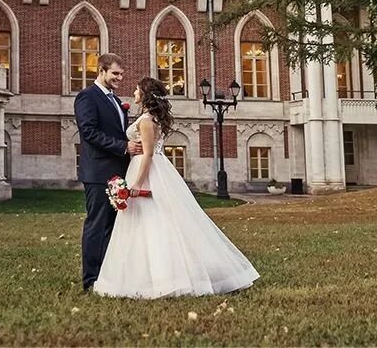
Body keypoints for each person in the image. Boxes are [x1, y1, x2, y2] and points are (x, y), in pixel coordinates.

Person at [93, 77, 259, 298]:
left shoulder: (145, 120)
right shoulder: (152, 119)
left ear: (145, 95)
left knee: (152, 220)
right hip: (156, 169)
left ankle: (163, 277)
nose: (133, 93)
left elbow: (148, 154)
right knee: (157, 219)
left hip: (148, 170)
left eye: (136, 90)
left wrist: (137, 184)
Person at [74, 53, 142, 291]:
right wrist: (123, 146)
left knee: (113, 227)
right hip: (98, 173)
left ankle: (108, 276)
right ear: (101, 71)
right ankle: (91, 279)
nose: (119, 78)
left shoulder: (115, 100)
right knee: (97, 225)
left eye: (121, 74)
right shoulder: (87, 97)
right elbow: (89, 132)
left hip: (119, 172)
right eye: (115, 73)